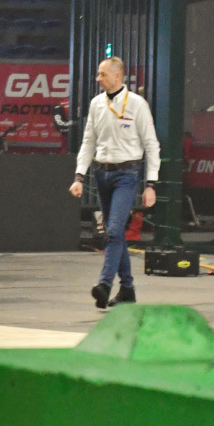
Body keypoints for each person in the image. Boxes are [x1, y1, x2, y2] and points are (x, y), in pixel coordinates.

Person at [70, 57, 159, 309]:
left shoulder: (137, 104)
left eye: (102, 74)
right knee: (115, 232)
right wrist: (79, 176)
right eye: (98, 74)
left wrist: (151, 184)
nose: (98, 79)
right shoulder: (96, 104)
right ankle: (127, 289)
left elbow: (152, 144)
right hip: (102, 173)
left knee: (114, 229)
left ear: (117, 76)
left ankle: (105, 284)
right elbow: (88, 142)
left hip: (127, 174)